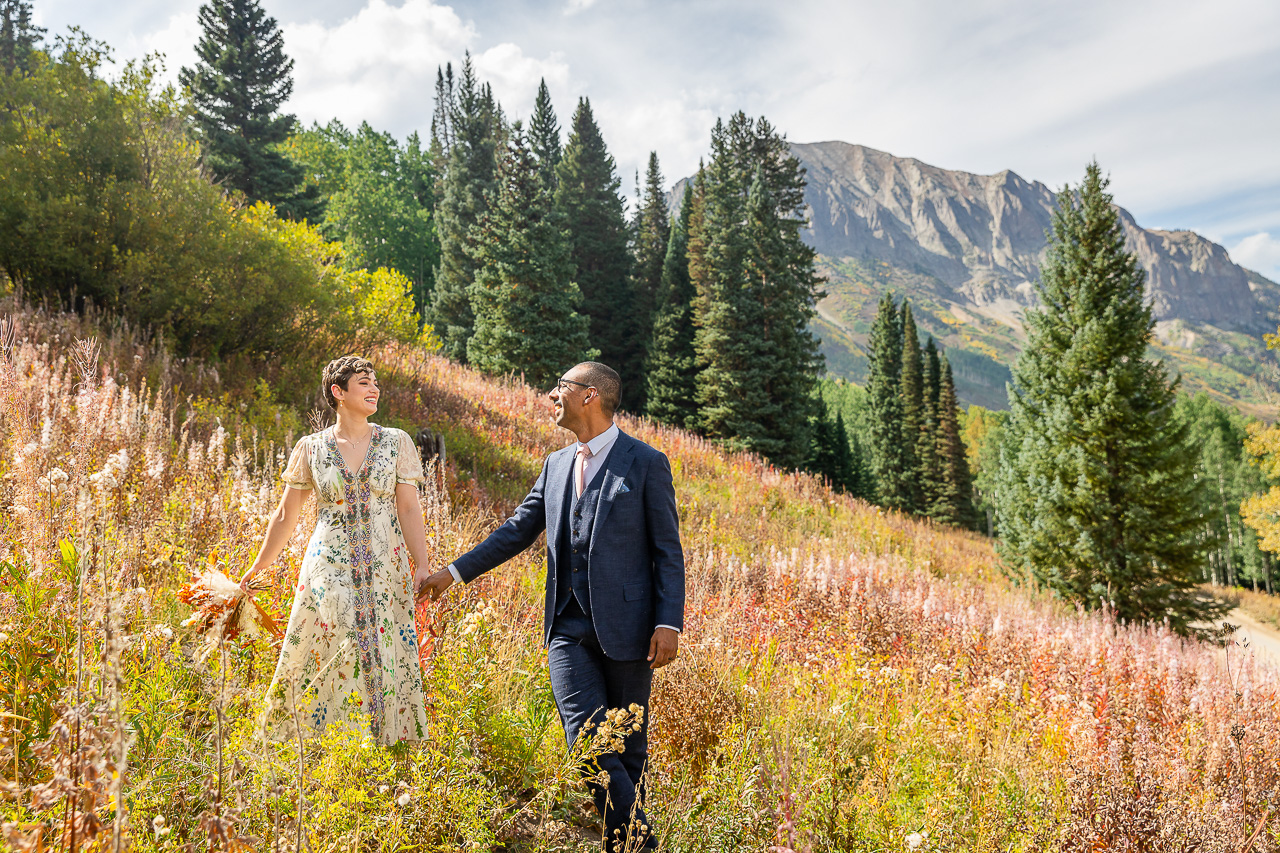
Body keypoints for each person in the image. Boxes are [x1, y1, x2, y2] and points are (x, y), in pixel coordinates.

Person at [419, 361, 685, 851]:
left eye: (559, 387)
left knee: (626, 750)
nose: (550, 396)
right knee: (587, 739)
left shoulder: (646, 463)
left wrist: (669, 622)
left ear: (590, 396)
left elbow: (667, 551)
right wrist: (452, 574)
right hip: (566, 625)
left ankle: (622, 844)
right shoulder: (556, 465)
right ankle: (644, 843)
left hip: (631, 627)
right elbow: (517, 530)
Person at [240, 355, 431, 745]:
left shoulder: (396, 442)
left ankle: (384, 741)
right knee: (338, 644)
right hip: (329, 566)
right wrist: (258, 567)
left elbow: (409, 507)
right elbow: (285, 514)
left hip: (385, 565)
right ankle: (328, 740)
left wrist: (422, 565)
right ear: (337, 392)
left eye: (375, 381)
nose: (374, 388)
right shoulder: (311, 448)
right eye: (363, 382)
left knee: (382, 645)